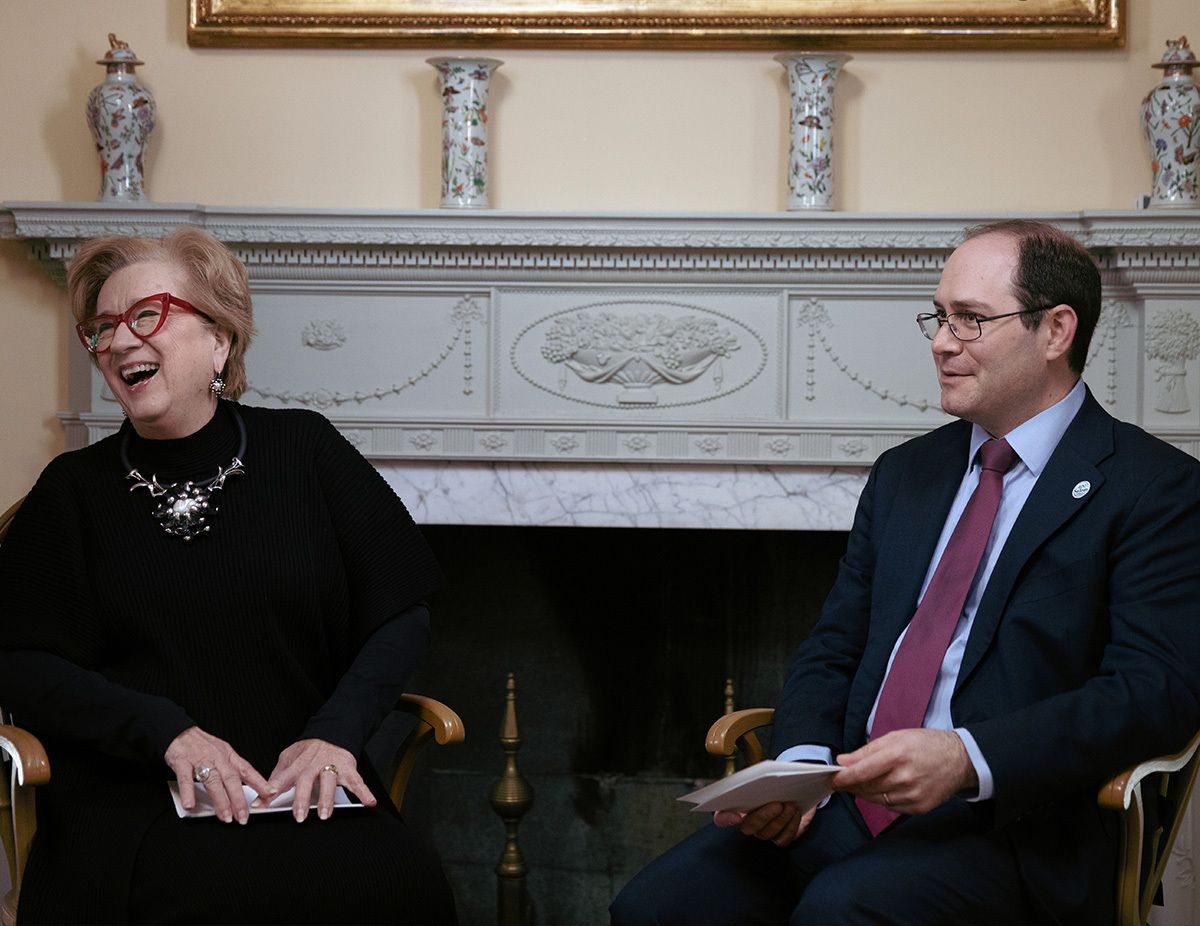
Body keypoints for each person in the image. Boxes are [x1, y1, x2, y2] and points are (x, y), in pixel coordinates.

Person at [611, 219, 1200, 925]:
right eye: (939, 316)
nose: (941, 342)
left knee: (840, 909)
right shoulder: (907, 474)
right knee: (656, 906)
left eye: (971, 319)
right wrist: (802, 768)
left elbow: (1152, 691)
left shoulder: (1155, 489)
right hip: (848, 801)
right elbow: (835, 645)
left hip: (1017, 824)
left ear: (1056, 330)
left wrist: (967, 757)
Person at [0, 227, 457, 924]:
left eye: (146, 315)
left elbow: (402, 613)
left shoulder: (306, 450)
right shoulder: (72, 490)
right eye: (102, 328)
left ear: (219, 338)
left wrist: (335, 734)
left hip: (297, 784)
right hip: (134, 796)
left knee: (400, 882)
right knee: (216, 896)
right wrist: (164, 731)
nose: (117, 342)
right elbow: (17, 662)